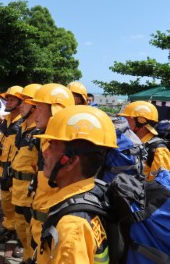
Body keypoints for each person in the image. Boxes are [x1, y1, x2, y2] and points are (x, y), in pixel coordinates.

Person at [34, 105, 118, 263]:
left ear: (70, 161)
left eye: (51, 145)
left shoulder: (71, 227)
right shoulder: (93, 192)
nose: (45, 152)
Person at [25, 83, 75, 263]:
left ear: (56, 112)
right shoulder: (46, 143)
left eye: (39, 108)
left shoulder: (66, 152)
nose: (34, 113)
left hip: (51, 234)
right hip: (38, 226)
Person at [8, 83, 42, 262]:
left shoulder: (41, 132)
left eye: (24, 102)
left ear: (35, 106)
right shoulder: (22, 126)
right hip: (18, 186)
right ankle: (26, 256)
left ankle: (29, 259)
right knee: (21, 225)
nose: (20, 105)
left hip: (31, 191)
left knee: (31, 228)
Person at [0, 86, 23, 245]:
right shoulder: (7, 120)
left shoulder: (24, 124)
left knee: (19, 205)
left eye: (12, 99)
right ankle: (10, 227)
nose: (8, 102)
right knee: (6, 200)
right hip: (4, 168)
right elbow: (1, 142)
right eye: (8, 99)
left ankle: (20, 238)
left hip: (18, 171)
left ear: (21, 103)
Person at [118, 100, 170, 180]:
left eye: (128, 118)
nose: (125, 122)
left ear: (141, 121)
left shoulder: (159, 150)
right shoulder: (128, 142)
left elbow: (161, 184)